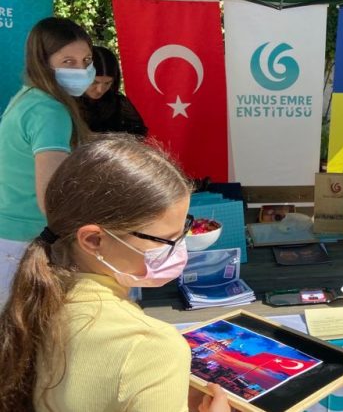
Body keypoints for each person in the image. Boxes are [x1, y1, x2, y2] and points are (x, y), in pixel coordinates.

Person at [0, 134, 229, 411]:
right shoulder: (152, 347)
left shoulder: (27, 305)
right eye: (165, 240)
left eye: (184, 230)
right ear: (93, 240)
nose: (179, 249)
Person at [0, 17, 94, 307]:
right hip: (26, 242)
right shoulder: (49, 110)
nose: (81, 70)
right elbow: (52, 198)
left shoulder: (28, 98)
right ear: (44, 62)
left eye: (86, 61)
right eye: (68, 62)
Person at [79, 45, 148, 137]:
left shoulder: (118, 103)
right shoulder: (65, 101)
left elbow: (139, 133)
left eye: (107, 83)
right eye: (94, 82)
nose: (100, 90)